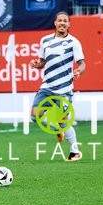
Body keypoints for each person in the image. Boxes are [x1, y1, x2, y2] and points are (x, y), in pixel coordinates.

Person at [29, 11, 86, 162]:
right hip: (47, 86)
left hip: (64, 89)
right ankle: (57, 130)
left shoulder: (74, 42)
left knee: (64, 121)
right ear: (54, 23)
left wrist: (78, 71)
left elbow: (82, 63)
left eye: (65, 21)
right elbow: (42, 61)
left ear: (69, 24)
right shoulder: (45, 40)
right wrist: (36, 64)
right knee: (35, 115)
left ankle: (75, 151)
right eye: (59, 21)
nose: (62, 23)